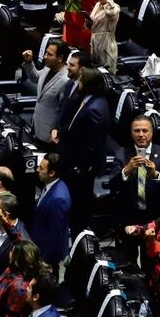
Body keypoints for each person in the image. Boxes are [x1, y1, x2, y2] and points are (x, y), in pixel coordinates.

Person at [111, 115, 160, 260]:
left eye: (145, 130)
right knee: (127, 263)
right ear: (131, 133)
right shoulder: (122, 154)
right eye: (137, 131)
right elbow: (112, 185)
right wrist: (126, 170)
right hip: (129, 219)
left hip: (154, 219)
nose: (141, 134)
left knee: (152, 265)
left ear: (151, 133)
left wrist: (155, 174)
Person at [56, 67, 110, 235]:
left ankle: (79, 234)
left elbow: (92, 146)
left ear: (89, 84)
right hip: (73, 159)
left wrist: (80, 168)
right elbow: (75, 126)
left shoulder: (96, 109)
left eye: (81, 80)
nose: (77, 83)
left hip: (82, 168)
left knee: (80, 203)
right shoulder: (89, 99)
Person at [30, 153, 71, 269]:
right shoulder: (51, 184)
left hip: (45, 253)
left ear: (52, 173)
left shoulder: (58, 199)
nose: (37, 170)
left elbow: (56, 233)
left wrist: (46, 261)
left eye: (41, 168)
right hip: (39, 243)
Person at [89, 0, 120, 73]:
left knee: (105, 75)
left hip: (106, 46)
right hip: (94, 43)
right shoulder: (98, 4)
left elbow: (110, 12)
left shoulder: (115, 8)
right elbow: (94, 21)